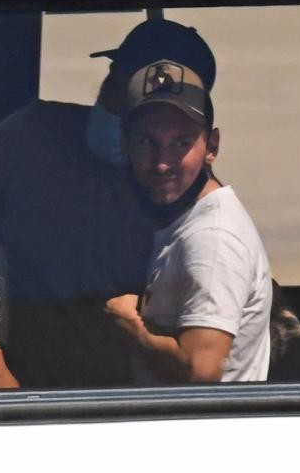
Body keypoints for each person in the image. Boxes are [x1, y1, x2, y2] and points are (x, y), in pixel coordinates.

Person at [0, 18, 298, 389]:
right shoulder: (23, 142)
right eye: (122, 90)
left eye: (178, 138)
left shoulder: (187, 201)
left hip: (124, 394)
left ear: (206, 142)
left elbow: (244, 319)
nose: (162, 160)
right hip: (35, 382)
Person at [104, 58, 272, 382]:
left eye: (181, 143)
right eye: (146, 142)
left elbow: (200, 375)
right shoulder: (178, 220)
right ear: (125, 145)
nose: (162, 164)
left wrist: (129, 325)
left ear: (212, 147)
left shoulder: (212, 240)